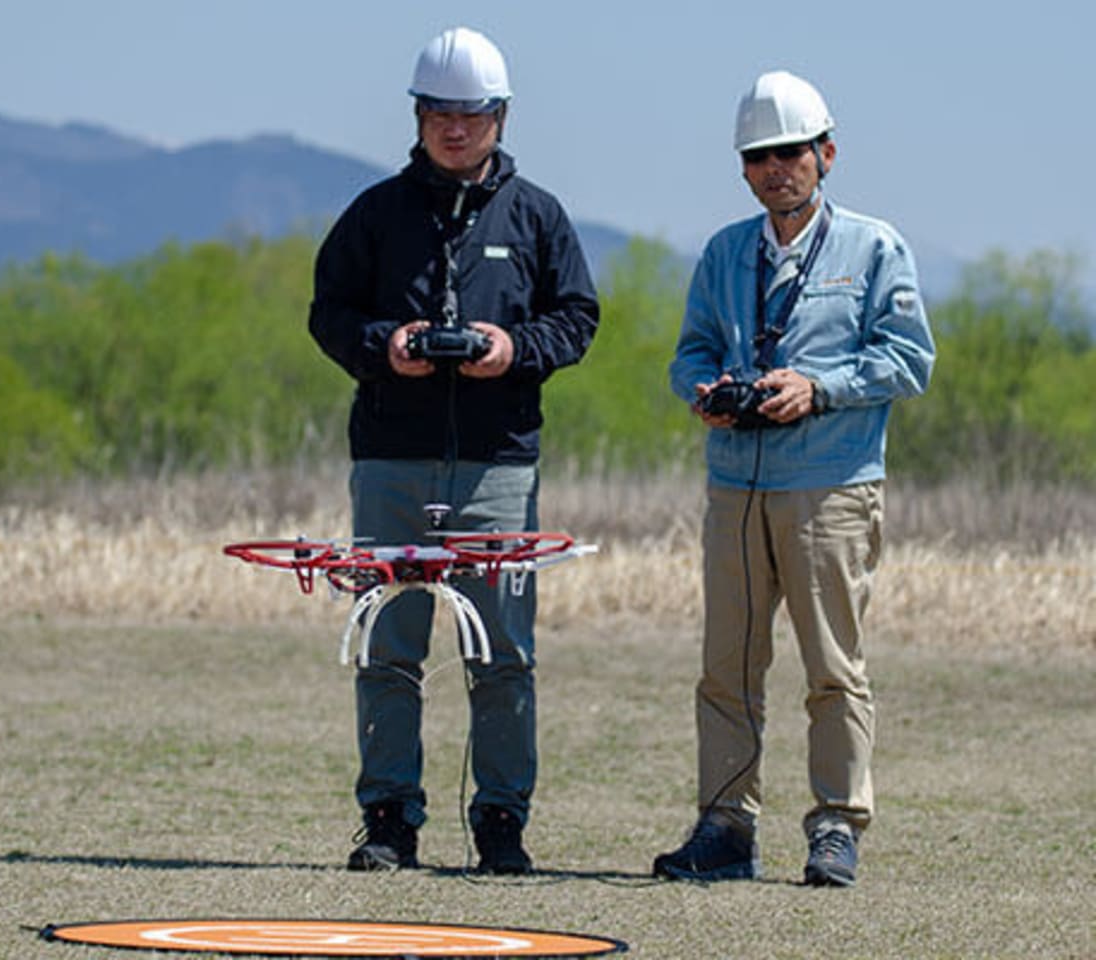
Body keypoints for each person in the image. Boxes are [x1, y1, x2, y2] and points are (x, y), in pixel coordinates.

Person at [308, 26, 599, 875]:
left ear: (501, 116)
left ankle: (501, 822)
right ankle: (390, 820)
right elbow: (327, 314)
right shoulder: (375, 212)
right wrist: (382, 344)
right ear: (417, 115)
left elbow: (578, 317)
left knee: (503, 652)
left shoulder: (538, 215)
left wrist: (511, 350)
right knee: (387, 646)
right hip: (391, 462)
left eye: (471, 113)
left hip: (498, 464)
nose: (455, 128)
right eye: (438, 112)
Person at [657, 70, 935, 887]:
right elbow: (690, 353)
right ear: (743, 169)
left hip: (833, 485)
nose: (776, 169)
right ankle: (724, 825)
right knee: (728, 666)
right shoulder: (722, 251)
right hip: (735, 486)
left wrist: (820, 387)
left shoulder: (874, 247)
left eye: (791, 153)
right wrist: (703, 394)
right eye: (758, 157)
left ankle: (836, 825)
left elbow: (910, 360)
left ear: (827, 154)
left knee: (832, 666)